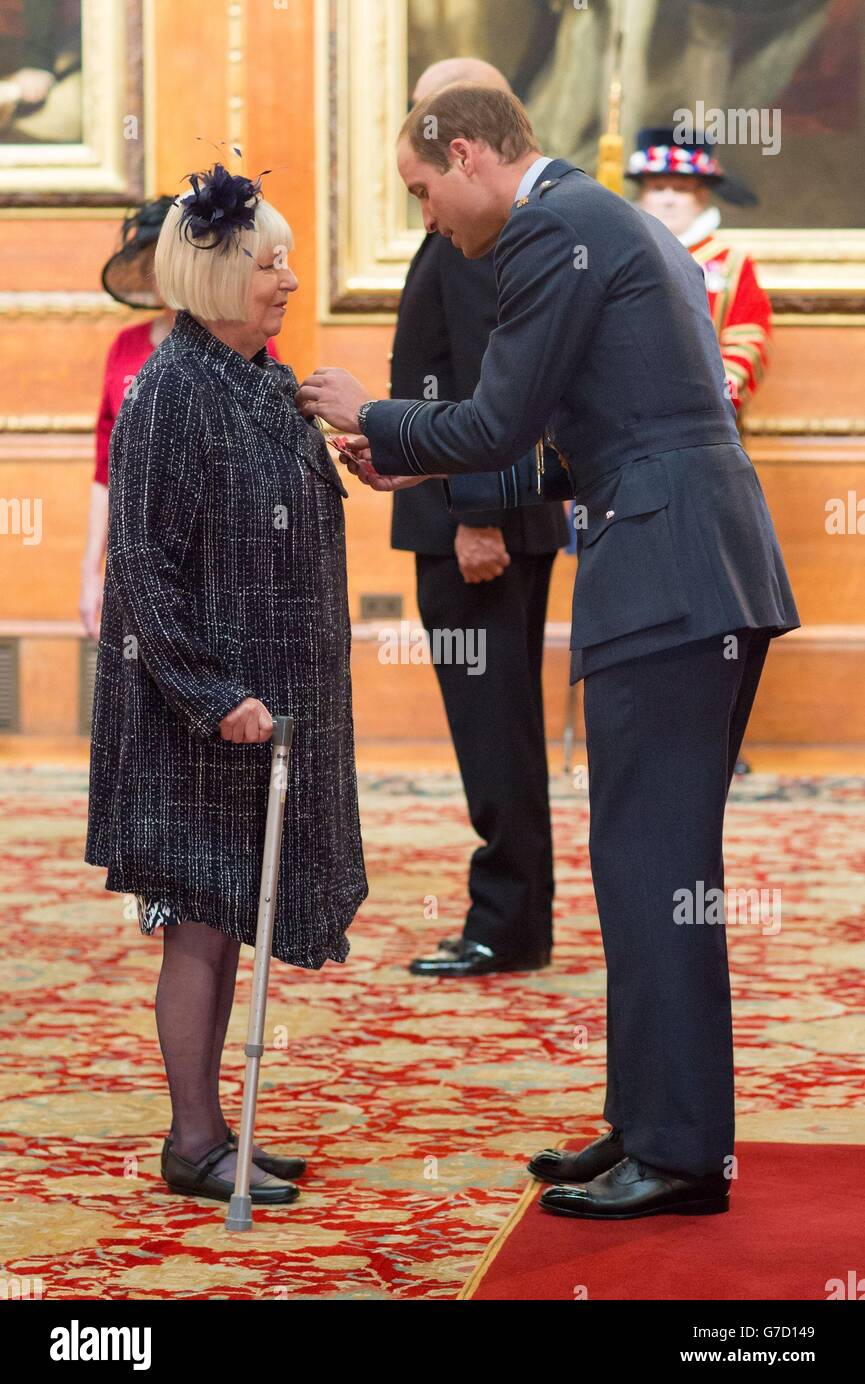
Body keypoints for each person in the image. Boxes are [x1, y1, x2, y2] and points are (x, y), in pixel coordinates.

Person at [297, 84, 800, 1220]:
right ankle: (647, 1123)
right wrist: (424, 467)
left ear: (466, 155)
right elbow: (582, 442)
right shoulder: (599, 216)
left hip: (666, 575)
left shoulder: (548, 230)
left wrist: (374, 416)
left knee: (654, 866)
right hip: (695, 560)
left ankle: (672, 1150)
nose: (428, 217)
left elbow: (495, 421)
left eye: (423, 192)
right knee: (645, 860)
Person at [84, 162, 368, 1206]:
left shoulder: (252, 377)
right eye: (268, 263)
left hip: (261, 708)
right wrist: (210, 693)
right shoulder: (169, 392)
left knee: (225, 914)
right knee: (198, 920)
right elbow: (143, 570)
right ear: (214, 275)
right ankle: (197, 1139)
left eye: (287, 259)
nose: (288, 280)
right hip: (197, 719)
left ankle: (211, 1128)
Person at [391, 57, 568, 979]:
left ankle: (505, 922)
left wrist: (477, 518)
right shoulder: (477, 224)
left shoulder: (479, 234)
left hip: (478, 528)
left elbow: (481, 382)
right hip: (478, 518)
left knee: (493, 727)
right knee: (497, 724)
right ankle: (514, 913)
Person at [79, 197, 281, 641]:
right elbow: (104, 468)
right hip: (138, 554)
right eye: (153, 264)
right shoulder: (125, 347)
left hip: (224, 557)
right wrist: (91, 569)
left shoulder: (245, 343)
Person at [627, 127, 772, 416]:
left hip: (705, 420)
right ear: (642, 194)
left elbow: (748, 341)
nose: (668, 199)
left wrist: (715, 397)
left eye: (680, 189)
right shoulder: (616, 255)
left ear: (702, 196)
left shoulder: (731, 264)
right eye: (657, 188)